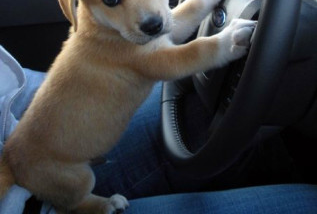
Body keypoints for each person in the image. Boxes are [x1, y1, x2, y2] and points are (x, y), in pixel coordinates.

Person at [1, 46, 317, 214]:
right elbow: (166, 60)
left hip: (21, 110)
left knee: (225, 114)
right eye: (113, 0)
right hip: (30, 189)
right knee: (308, 203)